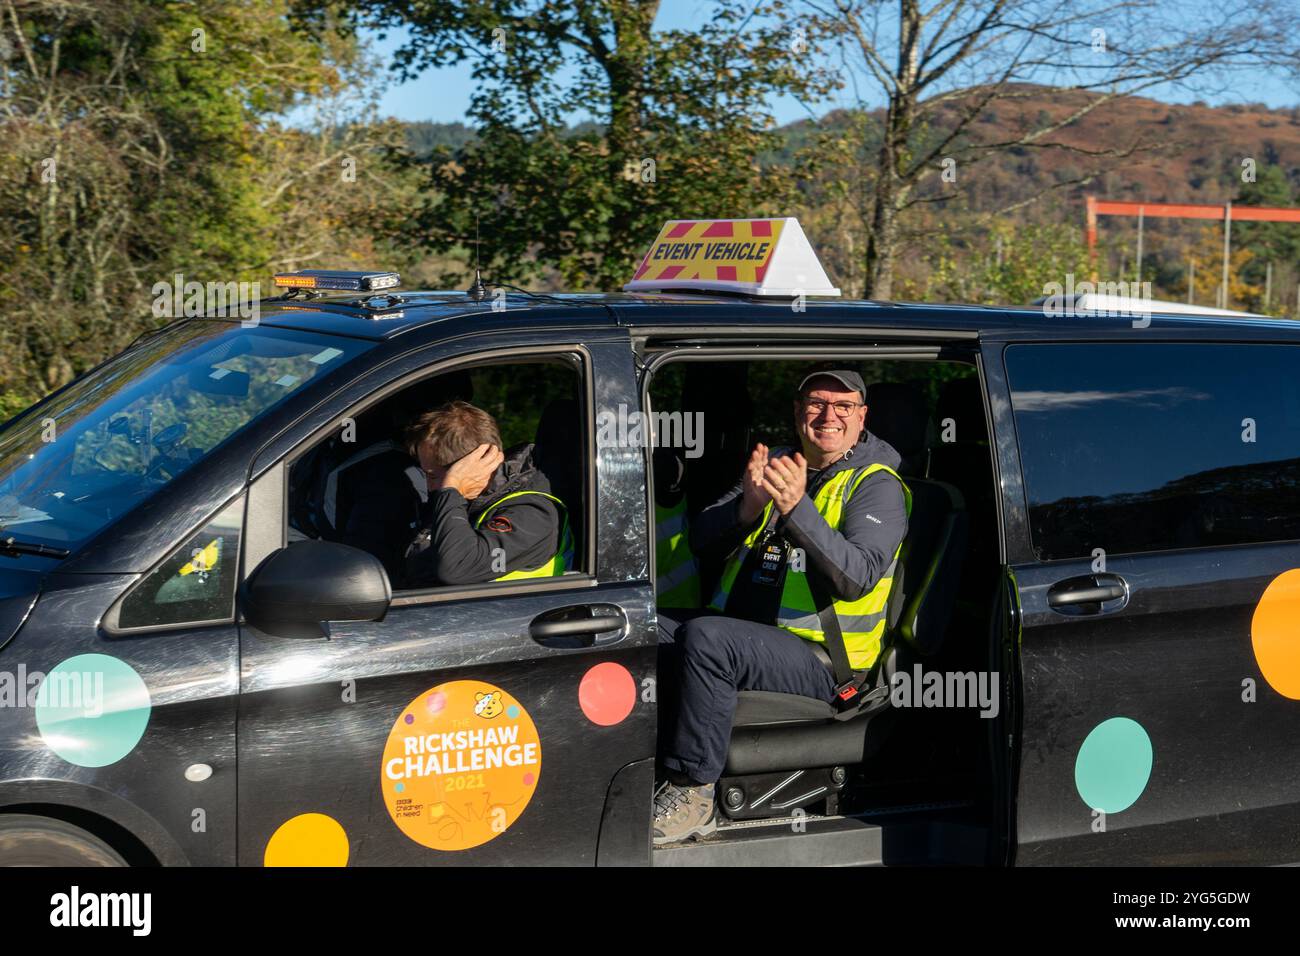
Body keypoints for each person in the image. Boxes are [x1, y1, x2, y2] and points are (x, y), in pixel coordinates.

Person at [652, 369, 911, 844]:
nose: (828, 415)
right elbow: (703, 544)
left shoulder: (877, 485)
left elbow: (855, 577)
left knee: (708, 640)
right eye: (816, 403)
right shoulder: (777, 463)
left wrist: (796, 511)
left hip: (825, 660)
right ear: (798, 412)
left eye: (843, 406)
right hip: (752, 633)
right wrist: (746, 509)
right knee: (645, 628)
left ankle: (692, 793)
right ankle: (639, 768)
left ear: (862, 417)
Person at [402, 400, 572, 587]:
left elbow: (458, 567)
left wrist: (451, 488)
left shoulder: (533, 514)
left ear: (466, 468)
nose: (430, 487)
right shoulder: (472, 499)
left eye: (432, 476)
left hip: (510, 615)